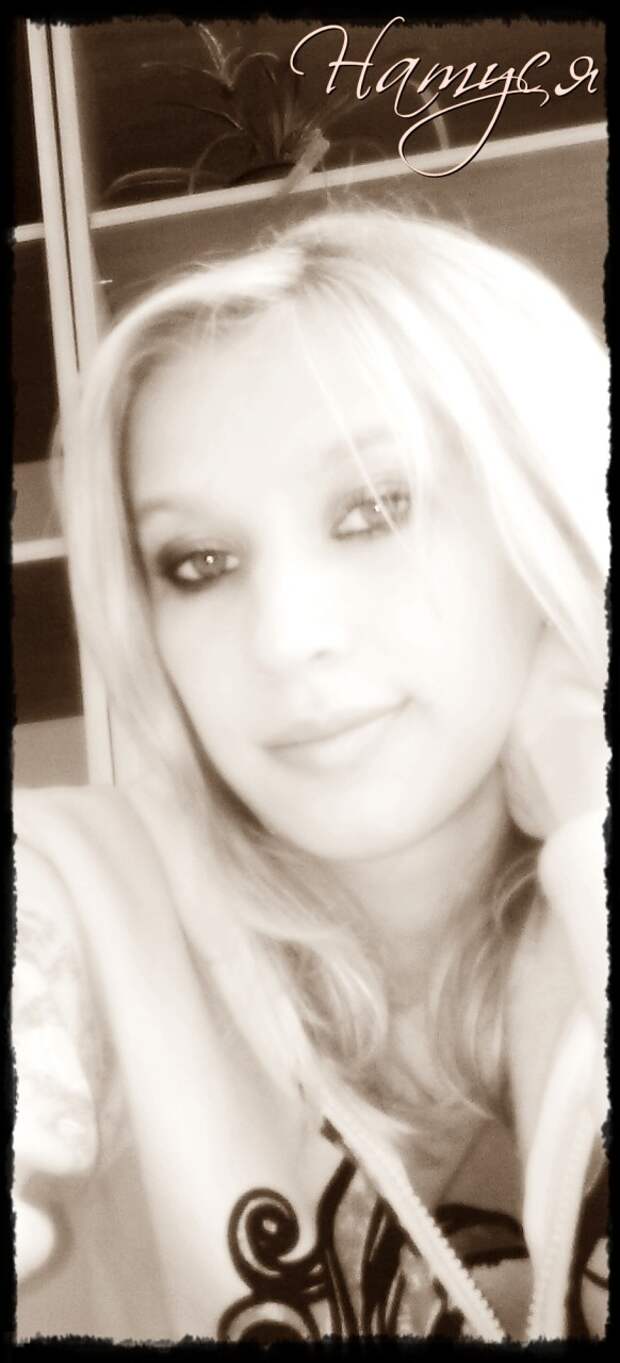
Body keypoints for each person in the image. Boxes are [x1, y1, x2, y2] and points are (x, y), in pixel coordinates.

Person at [13, 206, 608, 1342]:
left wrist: (590, 811)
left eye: (374, 509)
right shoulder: (75, 897)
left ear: (549, 517)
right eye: (199, 562)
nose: (285, 638)